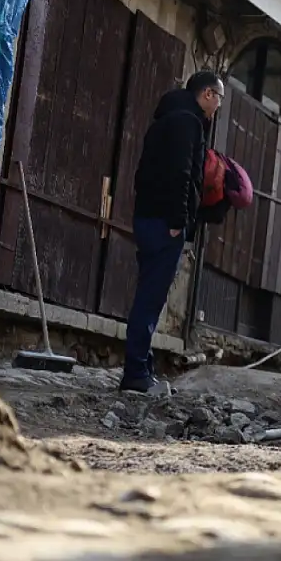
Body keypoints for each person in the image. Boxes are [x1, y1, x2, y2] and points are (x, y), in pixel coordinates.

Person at [120, 71, 224, 394]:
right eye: (219, 97)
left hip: (150, 216)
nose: (219, 105)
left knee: (148, 296)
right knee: (150, 299)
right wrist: (180, 220)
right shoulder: (186, 123)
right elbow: (182, 173)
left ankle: (142, 369)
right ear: (207, 94)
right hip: (165, 223)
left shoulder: (167, 117)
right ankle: (136, 374)